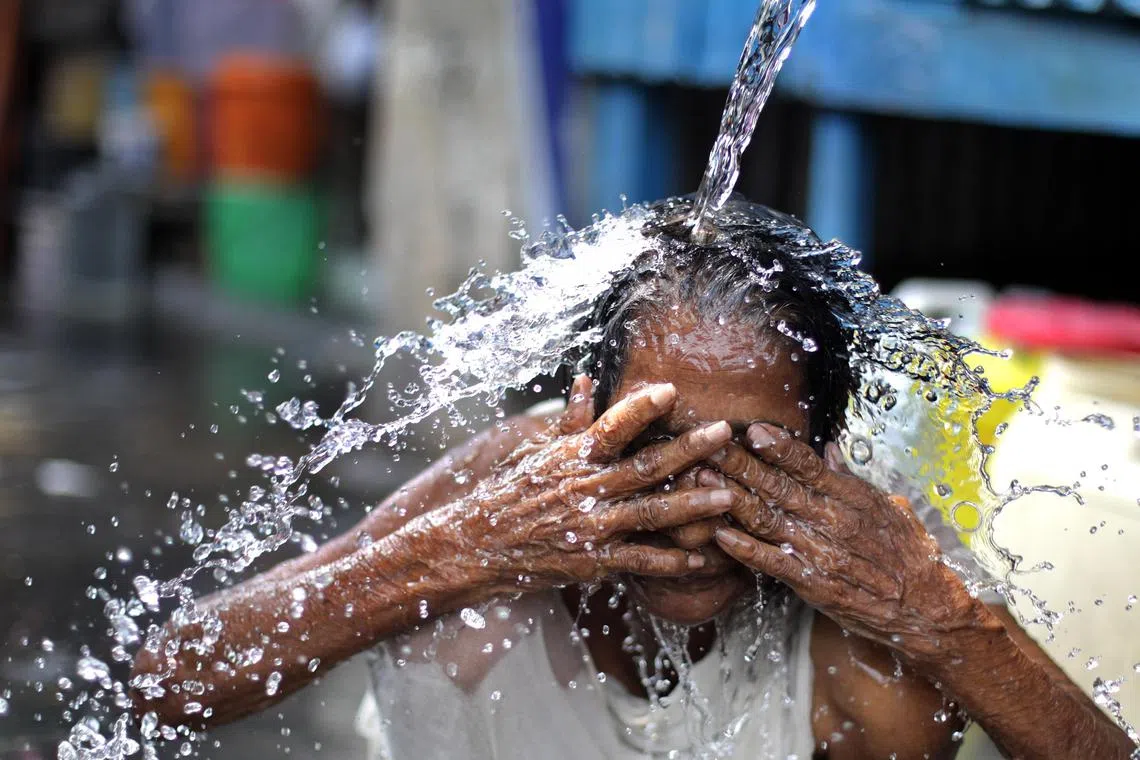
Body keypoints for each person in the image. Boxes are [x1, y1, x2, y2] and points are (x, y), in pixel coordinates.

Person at [132, 200, 1135, 759]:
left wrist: (948, 623)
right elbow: (162, 684)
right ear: (578, 417)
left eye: (752, 455)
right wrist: (460, 554)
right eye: (657, 436)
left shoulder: (880, 589)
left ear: (826, 458)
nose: (696, 502)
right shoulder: (505, 495)